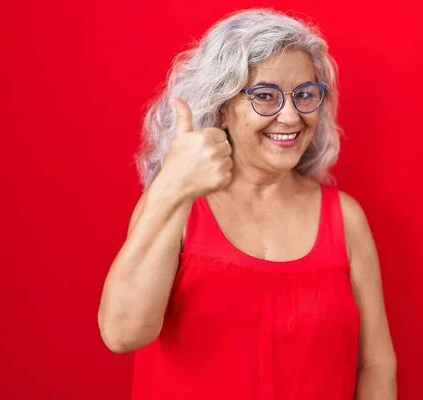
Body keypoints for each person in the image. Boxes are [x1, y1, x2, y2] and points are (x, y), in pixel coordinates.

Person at [98, 8, 396, 400]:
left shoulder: (346, 218)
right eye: (265, 96)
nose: (290, 116)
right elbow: (122, 334)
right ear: (223, 105)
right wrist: (171, 187)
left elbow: (375, 365)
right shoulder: (178, 208)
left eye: (304, 95)